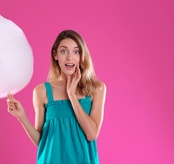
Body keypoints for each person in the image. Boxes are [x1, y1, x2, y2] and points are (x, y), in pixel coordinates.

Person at [7, 30, 106, 164]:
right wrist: (22, 117)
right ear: (56, 55)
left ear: (82, 55)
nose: (70, 57)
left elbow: (91, 134)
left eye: (76, 52)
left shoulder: (96, 89)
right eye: (64, 51)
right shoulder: (42, 92)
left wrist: (71, 95)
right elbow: (42, 141)